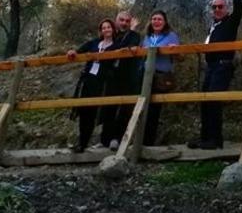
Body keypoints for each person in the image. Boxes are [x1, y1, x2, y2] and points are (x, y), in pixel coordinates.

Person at [188, 0, 242, 149]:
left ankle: (215, 139)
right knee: (205, 100)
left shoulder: (230, 23)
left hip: (223, 65)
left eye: (220, 6)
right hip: (211, 67)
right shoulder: (214, 26)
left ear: (226, 9)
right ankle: (205, 137)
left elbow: (239, 12)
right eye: (215, 7)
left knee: (213, 100)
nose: (217, 9)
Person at [67, 19, 118, 153]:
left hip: (103, 83)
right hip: (89, 80)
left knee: (97, 113)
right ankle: (82, 143)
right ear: (101, 31)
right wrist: (72, 51)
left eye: (109, 27)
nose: (106, 30)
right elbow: (79, 50)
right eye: (104, 28)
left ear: (113, 29)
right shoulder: (95, 42)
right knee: (84, 111)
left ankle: (100, 141)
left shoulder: (116, 45)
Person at [100, 10, 142, 150]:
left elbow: (130, 47)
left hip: (127, 77)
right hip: (112, 76)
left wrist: (131, 32)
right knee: (108, 108)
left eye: (127, 21)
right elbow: (107, 49)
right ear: (116, 20)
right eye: (121, 20)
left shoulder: (134, 36)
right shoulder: (111, 35)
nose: (124, 23)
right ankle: (105, 140)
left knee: (125, 110)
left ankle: (117, 139)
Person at [141, 10, 180, 145]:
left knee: (154, 110)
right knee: (143, 107)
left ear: (164, 22)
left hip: (160, 76)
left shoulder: (171, 36)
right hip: (145, 75)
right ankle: (139, 140)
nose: (156, 21)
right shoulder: (147, 37)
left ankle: (148, 142)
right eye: (154, 19)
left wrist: (174, 49)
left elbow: (180, 57)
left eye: (159, 19)